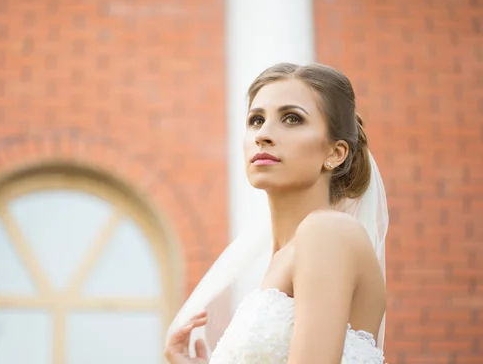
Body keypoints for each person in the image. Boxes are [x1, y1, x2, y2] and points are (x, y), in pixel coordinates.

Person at [164, 63, 388, 363]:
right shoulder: (278, 259)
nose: (264, 135)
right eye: (256, 120)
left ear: (335, 153)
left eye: (292, 118)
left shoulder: (328, 233)